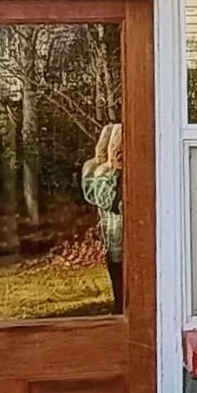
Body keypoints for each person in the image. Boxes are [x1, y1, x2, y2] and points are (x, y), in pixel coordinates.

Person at [81, 123, 124, 312]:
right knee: (120, 275)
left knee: (117, 275)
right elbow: (110, 201)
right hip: (119, 239)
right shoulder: (108, 175)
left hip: (113, 239)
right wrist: (114, 169)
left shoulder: (97, 172)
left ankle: (119, 306)